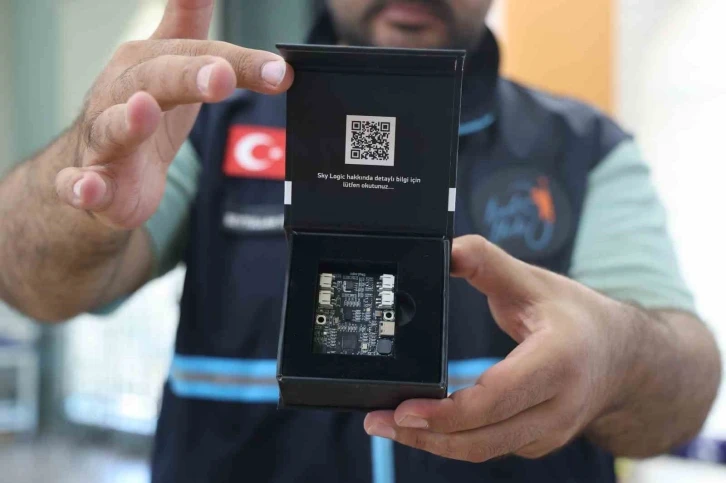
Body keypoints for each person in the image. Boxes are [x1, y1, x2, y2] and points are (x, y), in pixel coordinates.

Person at [0, 0, 720, 482]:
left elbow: (683, 390)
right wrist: (82, 188)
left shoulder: (584, 149)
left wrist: (616, 356)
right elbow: (31, 283)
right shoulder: (205, 124)